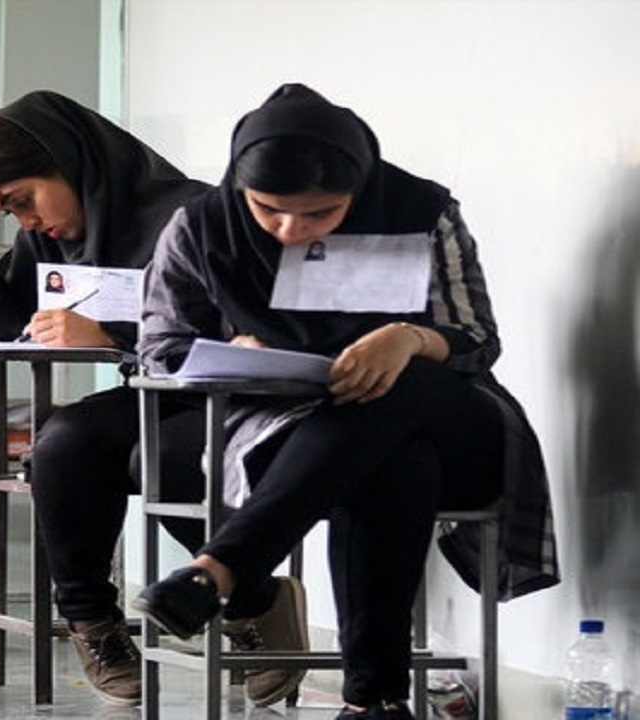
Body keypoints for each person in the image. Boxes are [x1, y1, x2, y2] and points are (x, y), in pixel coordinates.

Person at [130, 84, 559, 719]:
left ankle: (224, 567)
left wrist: (408, 339)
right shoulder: (201, 225)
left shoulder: (421, 209)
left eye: (321, 213)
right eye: (269, 209)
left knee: (401, 384)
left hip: (453, 425)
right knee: (394, 461)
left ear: (358, 187)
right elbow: (159, 347)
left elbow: (477, 338)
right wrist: (232, 350)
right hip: (292, 434)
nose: (290, 229)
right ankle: (374, 701)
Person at [0, 90, 312, 708]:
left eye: (25, 200)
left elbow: (241, 332)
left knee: (156, 456)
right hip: (154, 395)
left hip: (234, 397)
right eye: (11, 210)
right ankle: (92, 624)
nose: (27, 221)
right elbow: (15, 331)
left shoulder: (190, 213)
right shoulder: (53, 236)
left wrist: (111, 335)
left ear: (70, 164)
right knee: (64, 443)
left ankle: (253, 601)